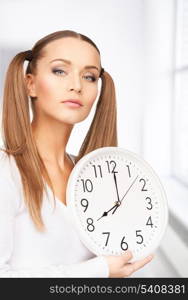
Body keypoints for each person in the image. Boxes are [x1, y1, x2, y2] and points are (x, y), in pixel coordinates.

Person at [0, 30, 153, 277]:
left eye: (90, 76)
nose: (77, 86)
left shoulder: (92, 176)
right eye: (59, 71)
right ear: (30, 84)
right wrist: (101, 269)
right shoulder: (6, 171)